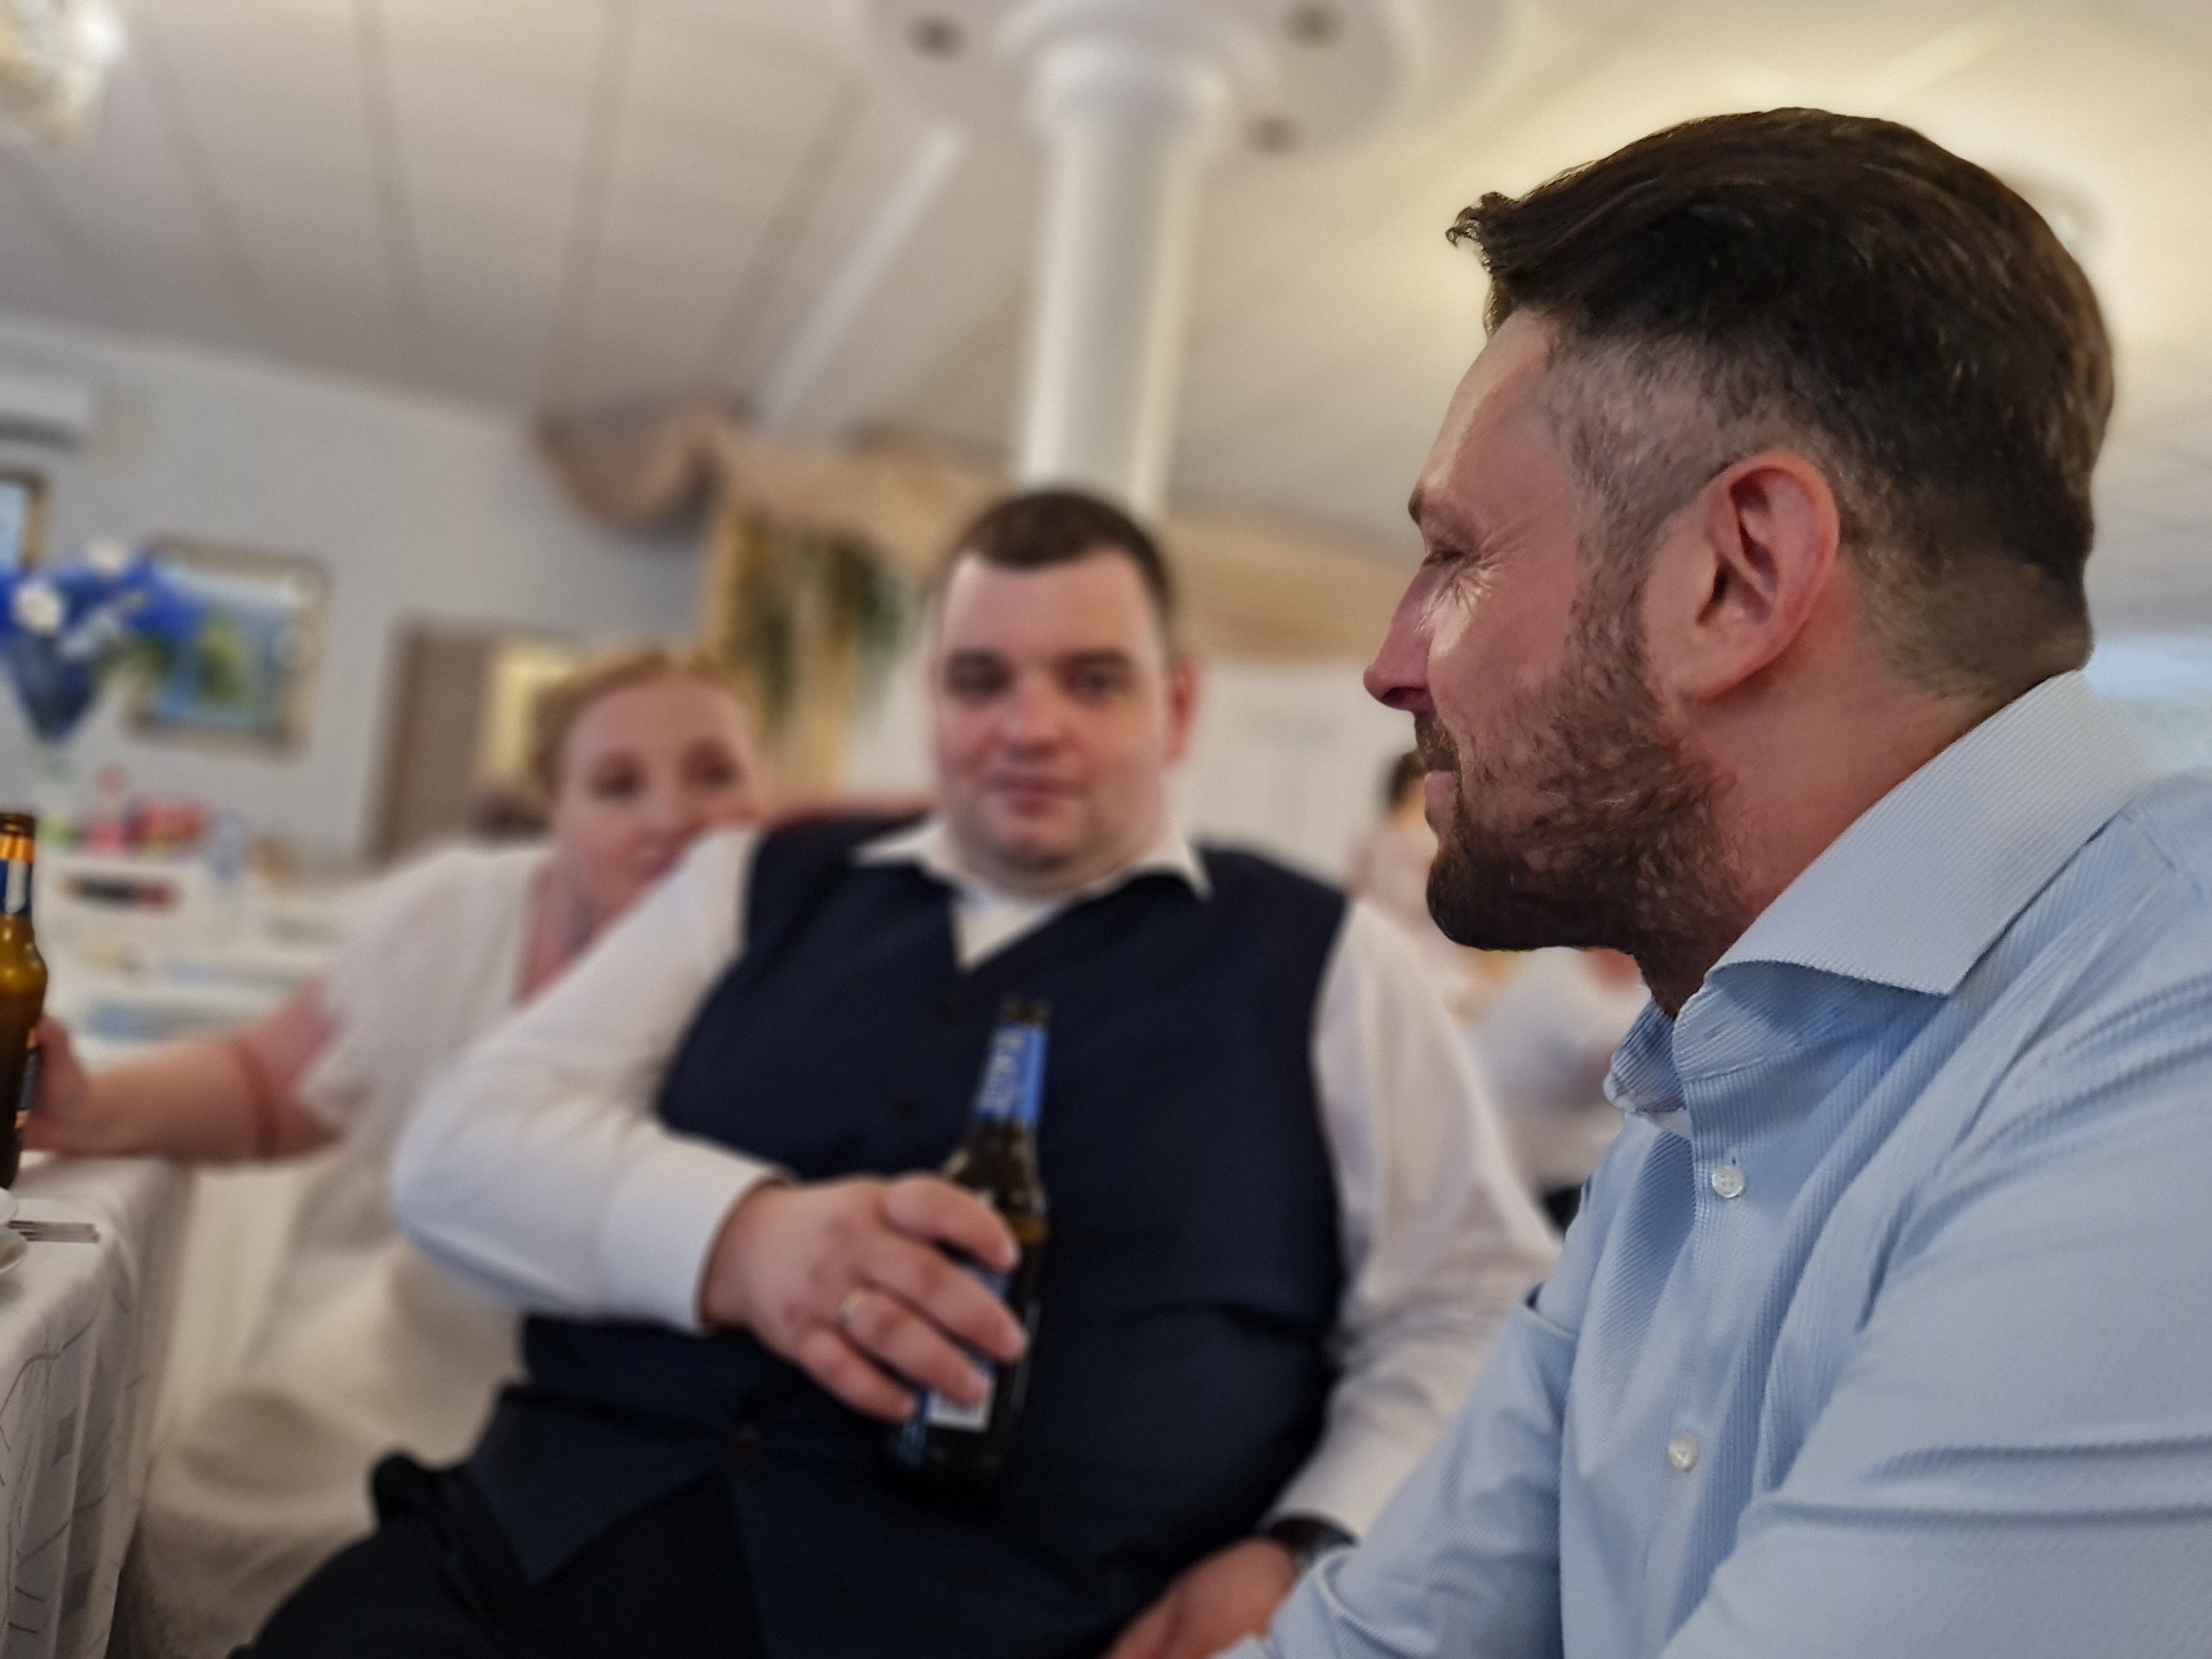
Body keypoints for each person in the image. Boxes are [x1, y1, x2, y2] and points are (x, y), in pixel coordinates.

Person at [242, 489, 1558, 1659]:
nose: (1028, 727)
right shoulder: (751, 885)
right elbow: (462, 1144)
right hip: (519, 1578)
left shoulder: (1326, 960)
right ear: (931, 697)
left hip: (1008, 1619)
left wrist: (1308, 1546)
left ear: (1175, 707)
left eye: (1090, 681)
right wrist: (741, 1243)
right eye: (980, 680)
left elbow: (1467, 1305)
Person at [1235, 107, 2212, 1657]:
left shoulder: (2169, 1044)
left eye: (1456, 559)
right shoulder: (1709, 1093)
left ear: (1737, 576)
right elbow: (1379, 1639)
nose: (1390, 663)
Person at [29, 646, 761, 1658]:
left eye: (714, 773)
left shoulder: (813, 972)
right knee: (207, 1528)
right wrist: (91, 1108)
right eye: (617, 784)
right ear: (555, 813)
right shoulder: (467, 916)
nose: (670, 816)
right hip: (412, 1366)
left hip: (639, 1431)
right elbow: (268, 1084)